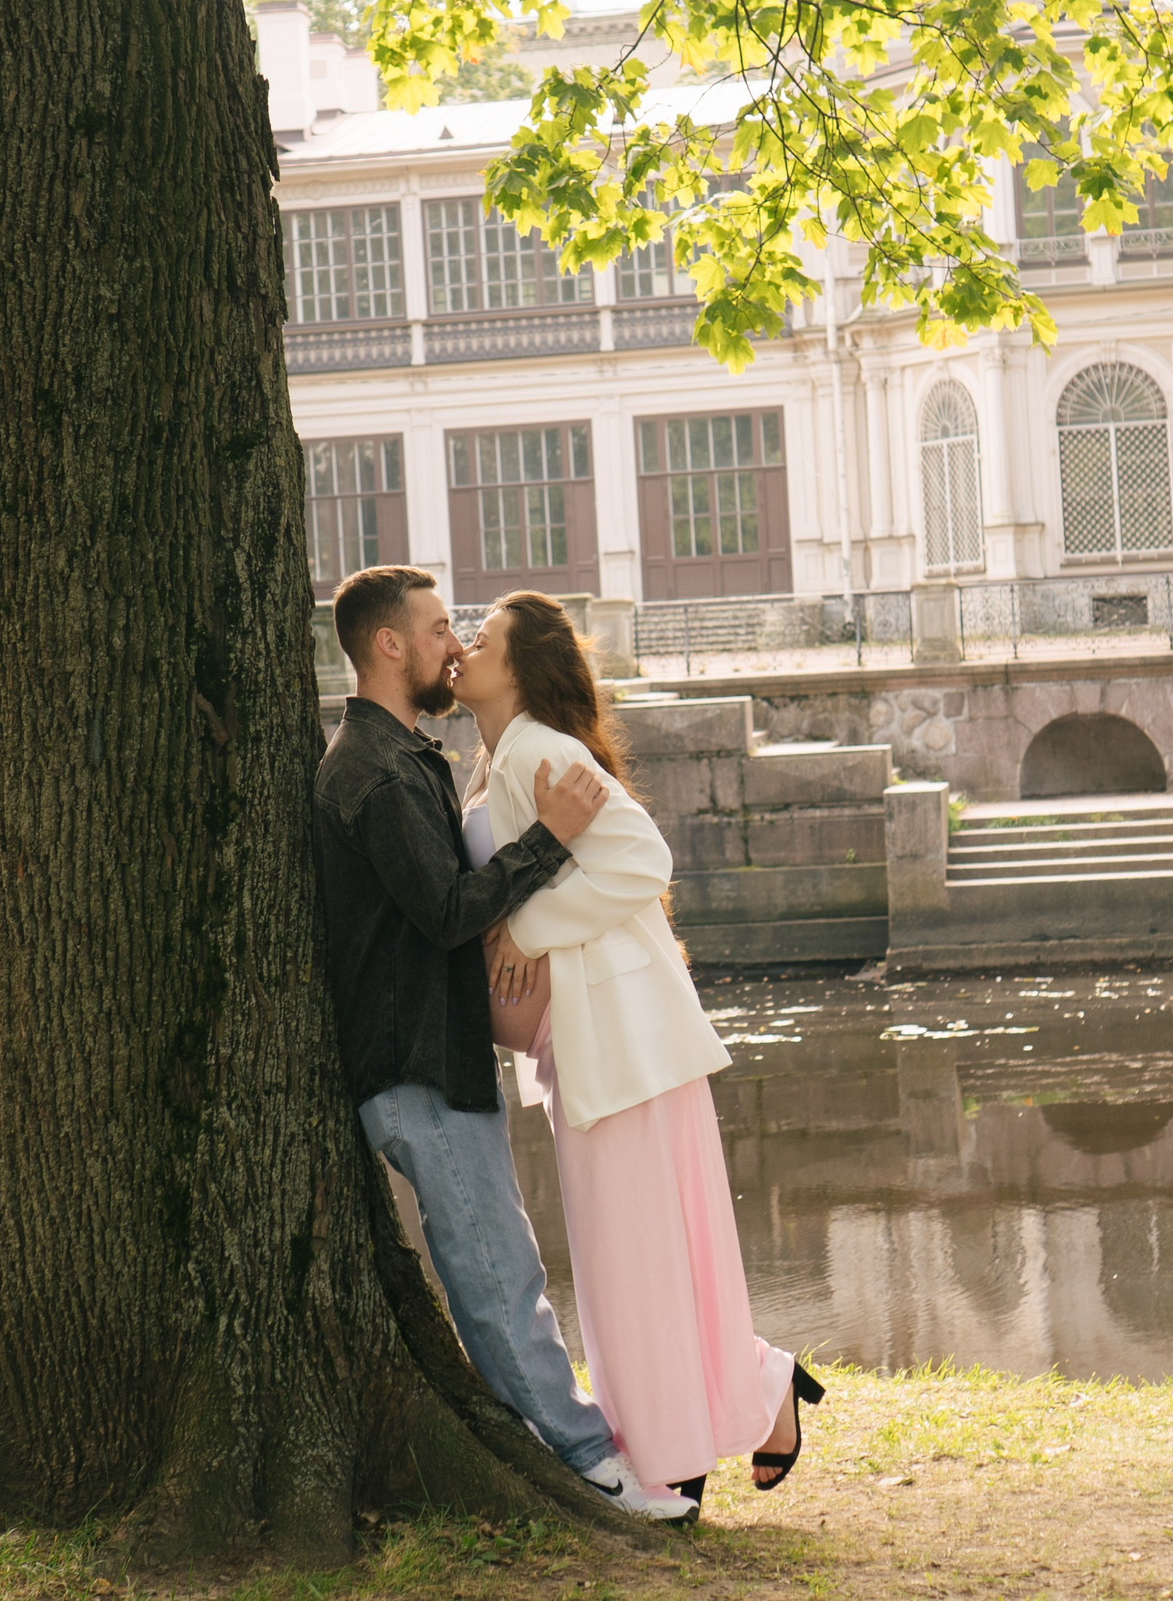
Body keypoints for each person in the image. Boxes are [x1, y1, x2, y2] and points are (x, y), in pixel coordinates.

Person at [310, 565, 695, 1524]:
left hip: (440, 1061)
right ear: (390, 645)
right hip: (413, 1067)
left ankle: (572, 1449)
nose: (454, 644)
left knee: (501, 1264)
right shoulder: (370, 768)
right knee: (496, 1274)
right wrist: (550, 842)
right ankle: (592, 1466)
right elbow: (444, 910)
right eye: (441, 629)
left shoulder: (407, 758)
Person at [454, 591, 823, 1506]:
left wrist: (526, 930)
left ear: (523, 666)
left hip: (622, 1042)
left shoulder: (540, 749)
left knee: (640, 1261)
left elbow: (643, 859)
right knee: (647, 1257)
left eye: (483, 638)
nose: (464, 645)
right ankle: (742, 1398)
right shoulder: (504, 758)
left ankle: (675, 1450)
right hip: (592, 1045)